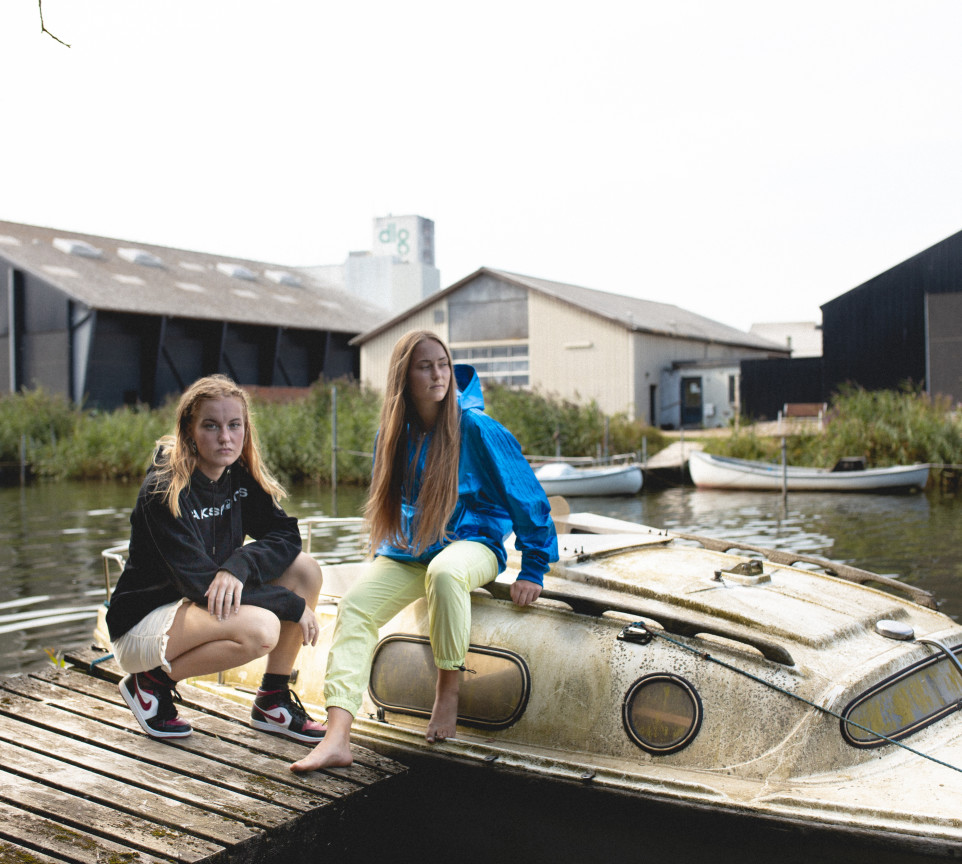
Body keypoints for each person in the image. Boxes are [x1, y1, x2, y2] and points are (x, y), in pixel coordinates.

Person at [291, 330, 557, 773]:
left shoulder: (475, 427)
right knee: (356, 607)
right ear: (404, 377)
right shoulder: (392, 434)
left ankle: (448, 691)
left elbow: (526, 496)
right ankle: (337, 738)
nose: (437, 374)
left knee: (447, 574)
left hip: (474, 543)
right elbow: (393, 509)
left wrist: (533, 566)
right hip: (410, 550)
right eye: (425, 366)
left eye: (443, 364)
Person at [106, 374, 326, 742]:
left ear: (245, 429)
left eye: (234, 425)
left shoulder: (236, 476)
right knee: (261, 629)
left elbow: (285, 533)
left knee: (305, 571)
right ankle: (151, 683)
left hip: (196, 604)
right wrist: (292, 606)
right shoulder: (163, 490)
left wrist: (240, 565)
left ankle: (272, 700)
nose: (225, 437)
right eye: (211, 426)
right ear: (190, 431)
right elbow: (200, 585)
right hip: (144, 623)